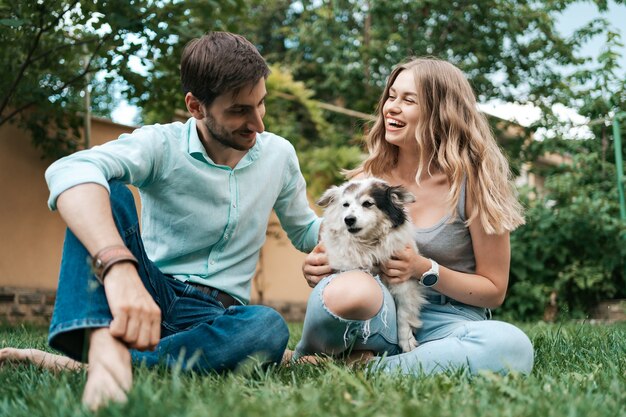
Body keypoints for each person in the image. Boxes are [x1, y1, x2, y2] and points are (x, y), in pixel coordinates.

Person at [0, 32, 321, 409]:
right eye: (239, 111)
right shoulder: (161, 144)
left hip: (217, 316)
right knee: (104, 189)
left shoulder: (279, 155)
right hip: (148, 288)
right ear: (196, 106)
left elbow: (306, 231)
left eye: (260, 104)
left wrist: (354, 232)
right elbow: (70, 171)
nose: (258, 124)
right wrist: (119, 269)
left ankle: (97, 363)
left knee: (267, 327)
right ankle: (105, 351)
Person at [294, 57, 534, 375]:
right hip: (379, 311)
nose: (391, 107)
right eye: (391, 96)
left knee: (510, 346)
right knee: (351, 290)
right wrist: (318, 265)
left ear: (441, 113)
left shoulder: (476, 183)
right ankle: (331, 353)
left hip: (447, 320)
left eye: (408, 100)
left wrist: (423, 268)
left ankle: (368, 368)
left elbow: (494, 289)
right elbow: (333, 252)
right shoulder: (368, 179)